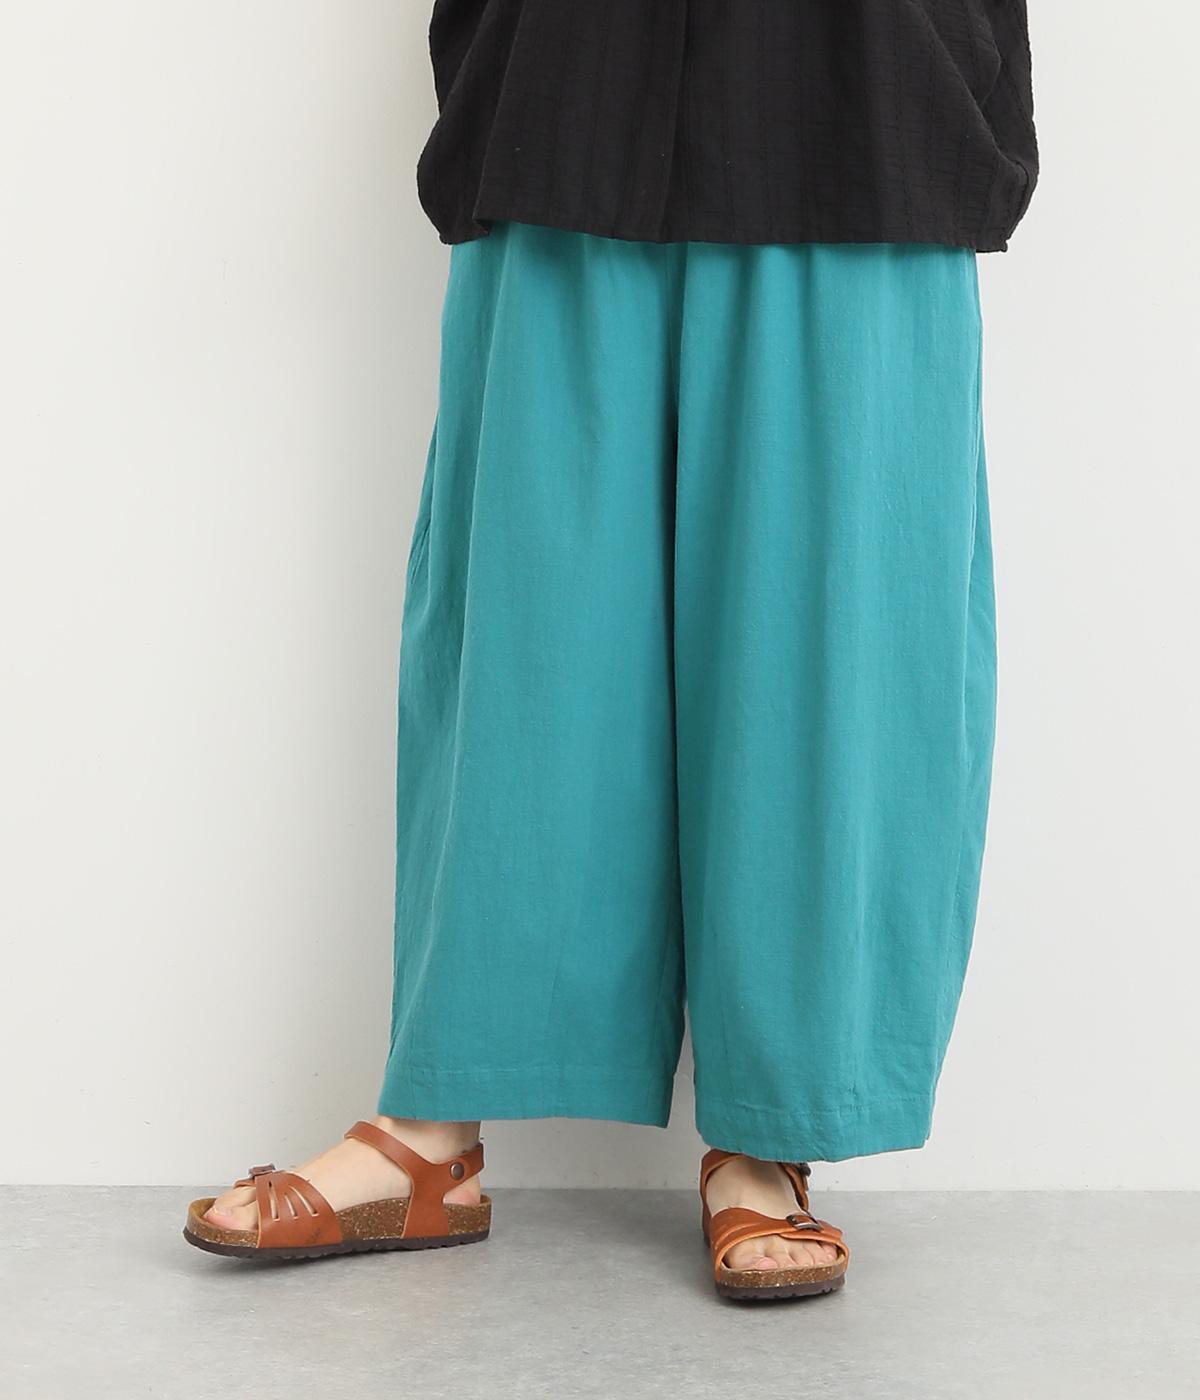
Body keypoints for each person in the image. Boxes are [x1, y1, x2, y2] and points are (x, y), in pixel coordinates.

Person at [184, 1, 1037, 1301]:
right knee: (527, 638)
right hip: (568, 73)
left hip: (866, 83)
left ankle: (772, 1133)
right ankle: (434, 1128)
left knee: (821, 651)